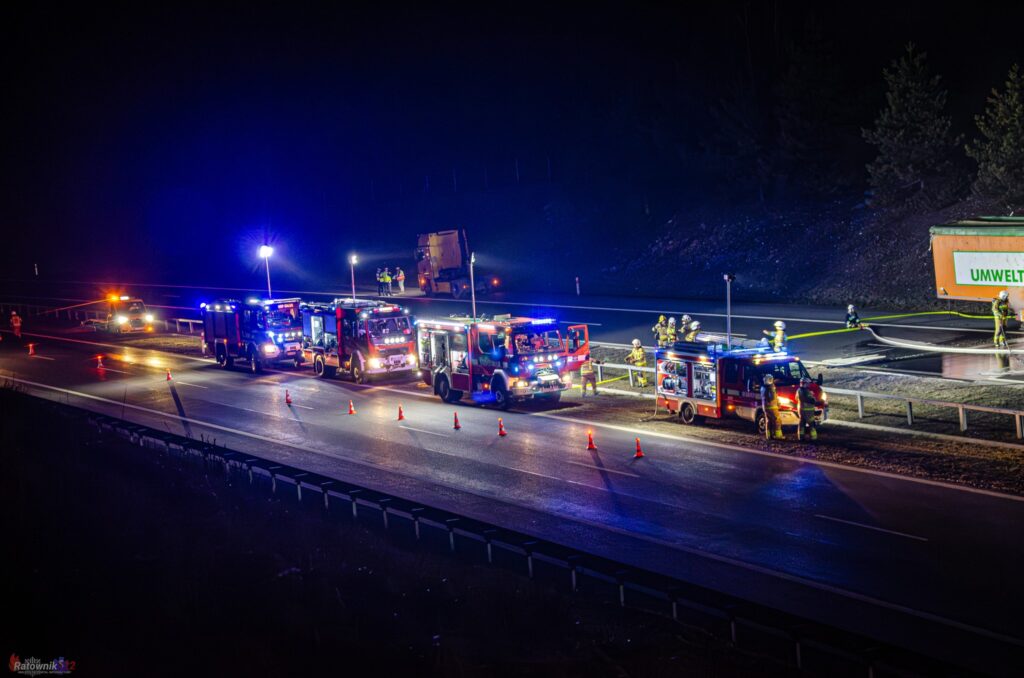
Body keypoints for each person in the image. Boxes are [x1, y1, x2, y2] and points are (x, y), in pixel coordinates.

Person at [760, 374, 784, 440]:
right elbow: (772, 397)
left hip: (766, 407)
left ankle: (769, 436)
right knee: (777, 421)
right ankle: (778, 436)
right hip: (772, 407)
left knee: (769, 421)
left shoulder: (763, 387)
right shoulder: (771, 387)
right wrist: (778, 403)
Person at [796, 376, 818, 441]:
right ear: (805, 383)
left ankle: (801, 437)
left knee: (802, 424)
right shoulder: (806, 391)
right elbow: (810, 400)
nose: (809, 385)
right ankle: (813, 437)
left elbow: (796, 398)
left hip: (801, 410)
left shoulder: (798, 390)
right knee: (811, 424)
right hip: (808, 411)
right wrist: (815, 399)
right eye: (808, 383)